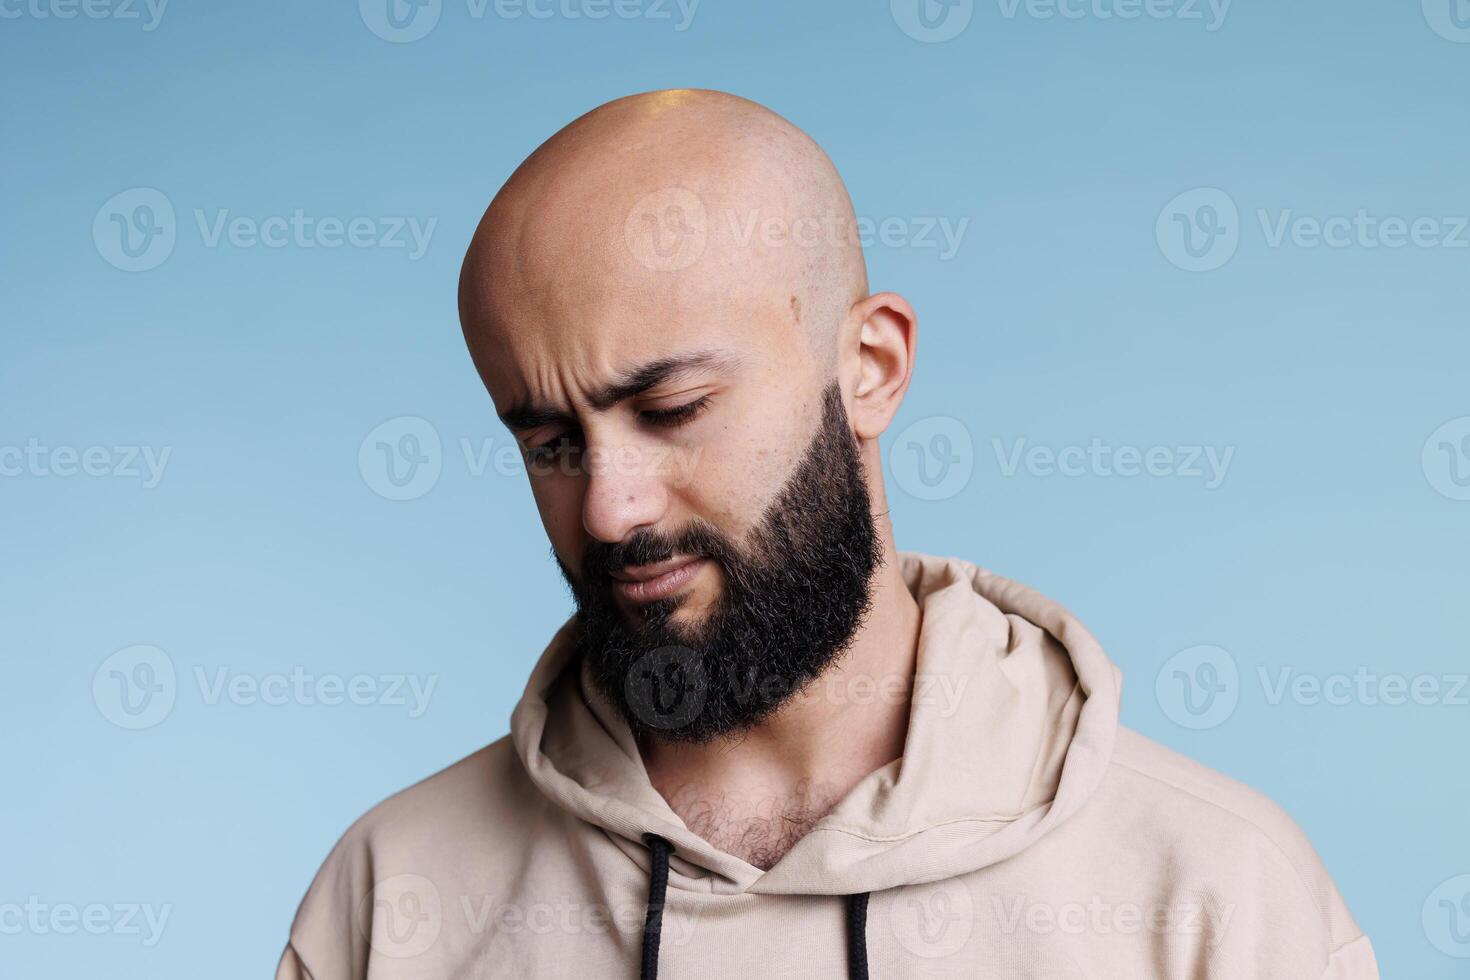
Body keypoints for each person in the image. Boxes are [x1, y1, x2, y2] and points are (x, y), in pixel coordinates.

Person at [276, 89, 1378, 979]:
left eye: (671, 410)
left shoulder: (1216, 893)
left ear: (872, 369)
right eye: (552, 441)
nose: (611, 507)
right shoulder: (395, 896)